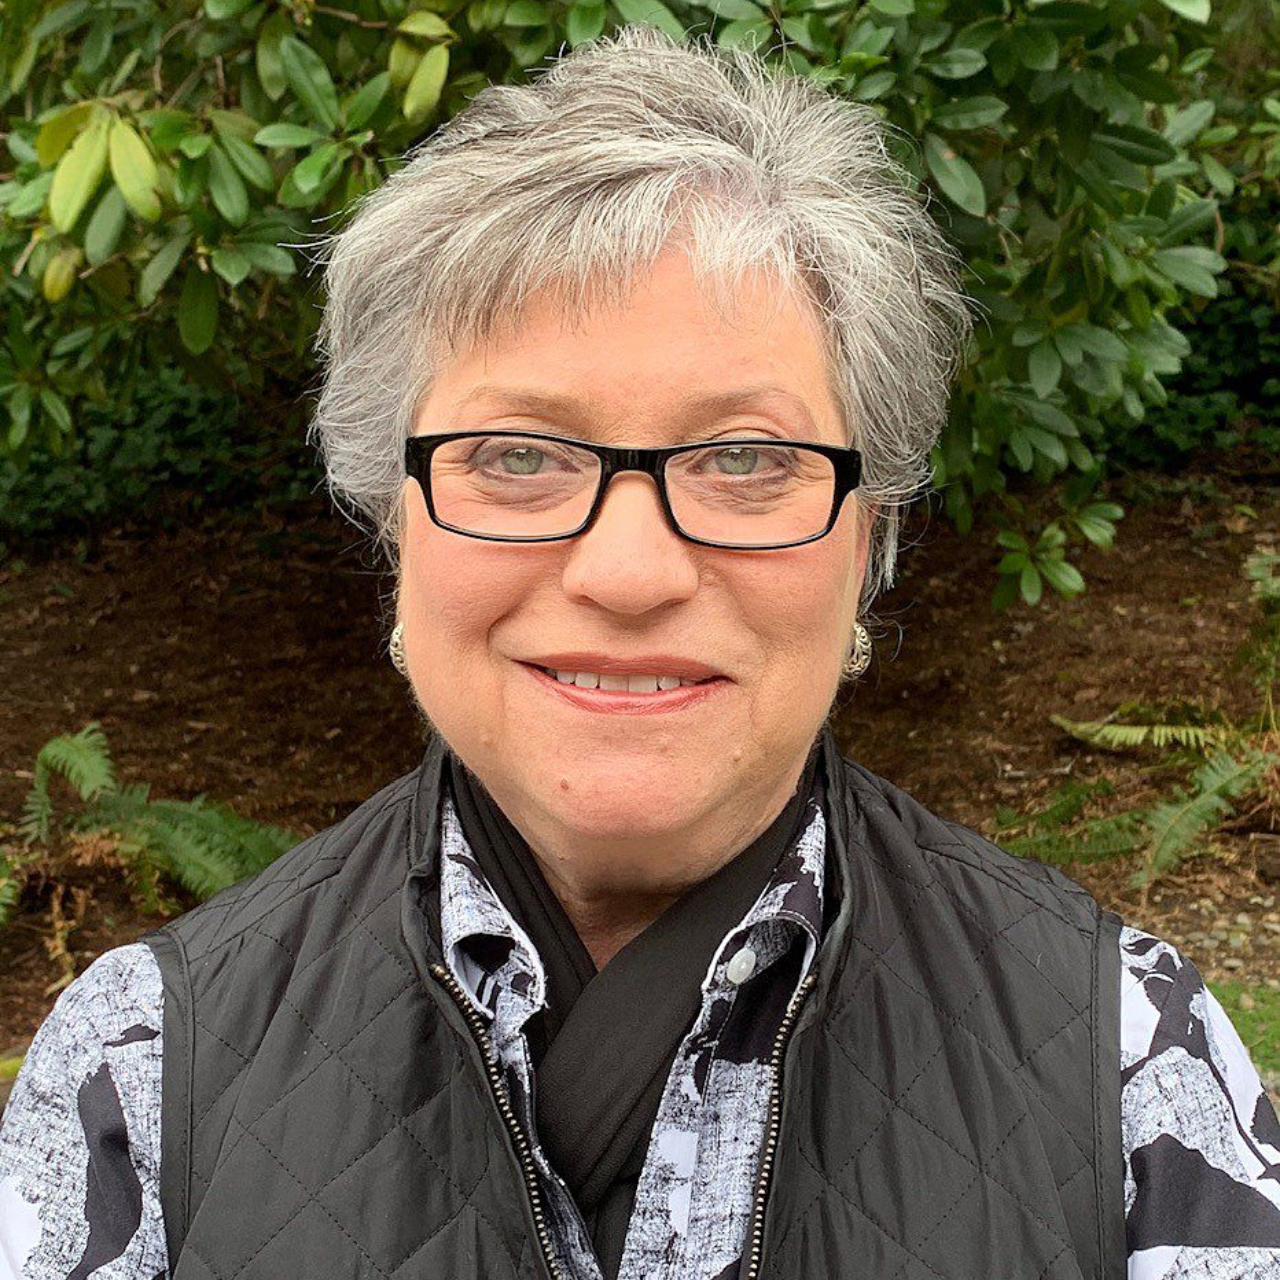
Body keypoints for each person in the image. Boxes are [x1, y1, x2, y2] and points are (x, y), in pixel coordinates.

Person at [2, 22, 1278, 1280]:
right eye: (515, 455)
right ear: (393, 521)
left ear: (863, 541)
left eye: (744, 458)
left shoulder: (1127, 1059)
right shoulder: (138, 1071)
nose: (625, 573)